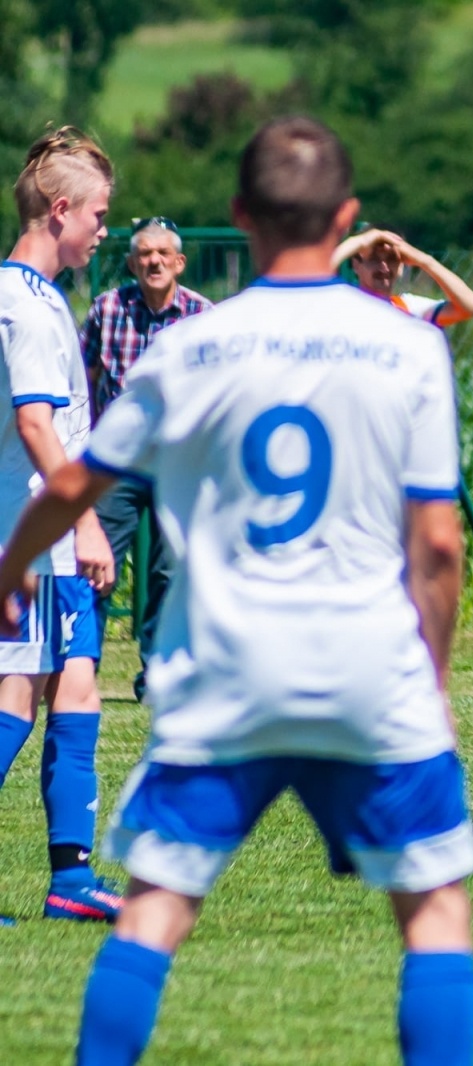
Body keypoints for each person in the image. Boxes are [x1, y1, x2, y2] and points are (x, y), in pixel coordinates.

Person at [0, 116, 473, 1063]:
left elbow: (72, 482)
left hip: (225, 671)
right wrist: (430, 679)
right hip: (367, 668)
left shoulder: (194, 346)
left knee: (152, 912)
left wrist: (11, 566)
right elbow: (437, 545)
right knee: (433, 913)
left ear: (237, 215)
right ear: (344, 214)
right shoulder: (406, 349)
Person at [0, 127, 121, 927]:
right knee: (15, 690)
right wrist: (84, 523)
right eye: (100, 216)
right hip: (32, 532)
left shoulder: (42, 297)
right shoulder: (23, 303)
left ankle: (70, 879)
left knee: (72, 682)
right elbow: (39, 427)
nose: (104, 231)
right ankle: (70, 878)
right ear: (60, 208)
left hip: (44, 532)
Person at [81, 216, 212, 701]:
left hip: (178, 460)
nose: (153, 262)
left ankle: (156, 677)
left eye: (163, 254)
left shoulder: (203, 315)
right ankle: (79, 668)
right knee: (94, 565)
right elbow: (83, 376)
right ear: (132, 262)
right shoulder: (107, 309)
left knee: (169, 573)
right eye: (144, 254)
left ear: (179, 262)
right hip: (116, 461)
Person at [334, 226, 473, 328]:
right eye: (374, 259)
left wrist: (425, 261)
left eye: (391, 259)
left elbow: (471, 306)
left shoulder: (410, 307)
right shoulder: (340, 304)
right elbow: (310, 276)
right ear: (355, 264)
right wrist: (358, 242)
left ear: (401, 265)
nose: (384, 267)